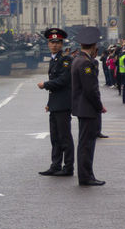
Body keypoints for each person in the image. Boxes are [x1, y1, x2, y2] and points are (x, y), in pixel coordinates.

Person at [71, 26, 106, 186]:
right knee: (86, 145)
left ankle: (86, 175)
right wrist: (99, 106)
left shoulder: (78, 60)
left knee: (85, 143)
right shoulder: (85, 63)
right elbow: (91, 89)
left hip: (82, 108)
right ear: (93, 47)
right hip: (87, 108)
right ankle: (86, 176)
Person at [36, 28, 74, 176]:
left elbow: (63, 81)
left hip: (63, 103)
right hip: (56, 104)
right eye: (52, 42)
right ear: (48, 43)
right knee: (55, 137)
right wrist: (49, 103)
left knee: (65, 137)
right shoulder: (54, 59)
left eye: (57, 42)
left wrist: (45, 85)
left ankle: (68, 167)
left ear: (62, 43)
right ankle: (55, 165)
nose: (54, 45)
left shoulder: (65, 59)